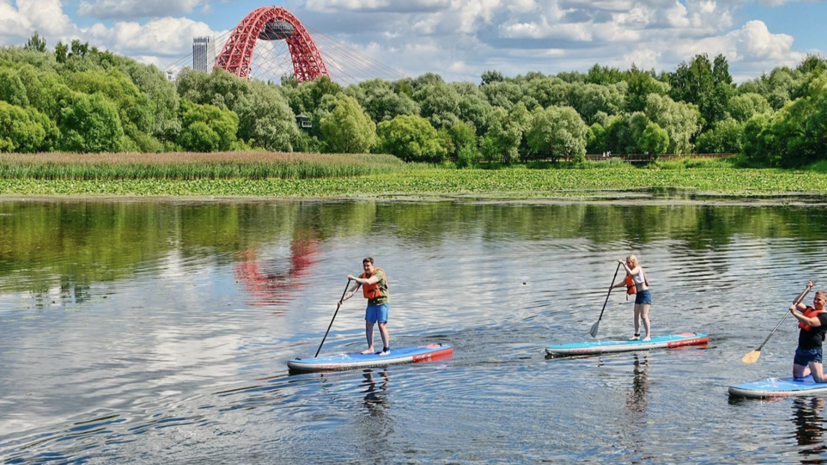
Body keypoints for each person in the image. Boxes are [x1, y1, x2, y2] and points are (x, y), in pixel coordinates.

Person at [340, 257, 391, 355]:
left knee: (381, 325)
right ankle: (370, 348)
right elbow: (353, 290)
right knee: (368, 325)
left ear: (372, 265)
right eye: (364, 266)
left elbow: (369, 282)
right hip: (371, 303)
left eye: (368, 266)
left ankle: (386, 349)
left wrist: (354, 278)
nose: (366, 268)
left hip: (382, 302)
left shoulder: (378, 273)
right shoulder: (362, 276)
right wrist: (343, 299)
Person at [790, 281, 827, 382]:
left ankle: (816, 372)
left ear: (825, 301)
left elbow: (810, 322)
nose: (815, 301)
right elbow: (796, 303)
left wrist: (794, 313)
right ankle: (812, 370)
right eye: (814, 299)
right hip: (801, 348)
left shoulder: (824, 316)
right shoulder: (809, 310)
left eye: (818, 299)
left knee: (819, 379)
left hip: (813, 351)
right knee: (797, 375)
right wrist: (806, 290)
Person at [614, 255, 651, 341]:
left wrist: (623, 264)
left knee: (644, 316)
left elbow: (631, 273)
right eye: (626, 262)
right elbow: (624, 283)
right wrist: (613, 286)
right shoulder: (630, 271)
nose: (627, 264)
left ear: (633, 262)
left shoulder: (637, 268)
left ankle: (648, 336)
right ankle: (636, 335)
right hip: (638, 294)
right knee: (636, 315)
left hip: (645, 294)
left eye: (628, 262)